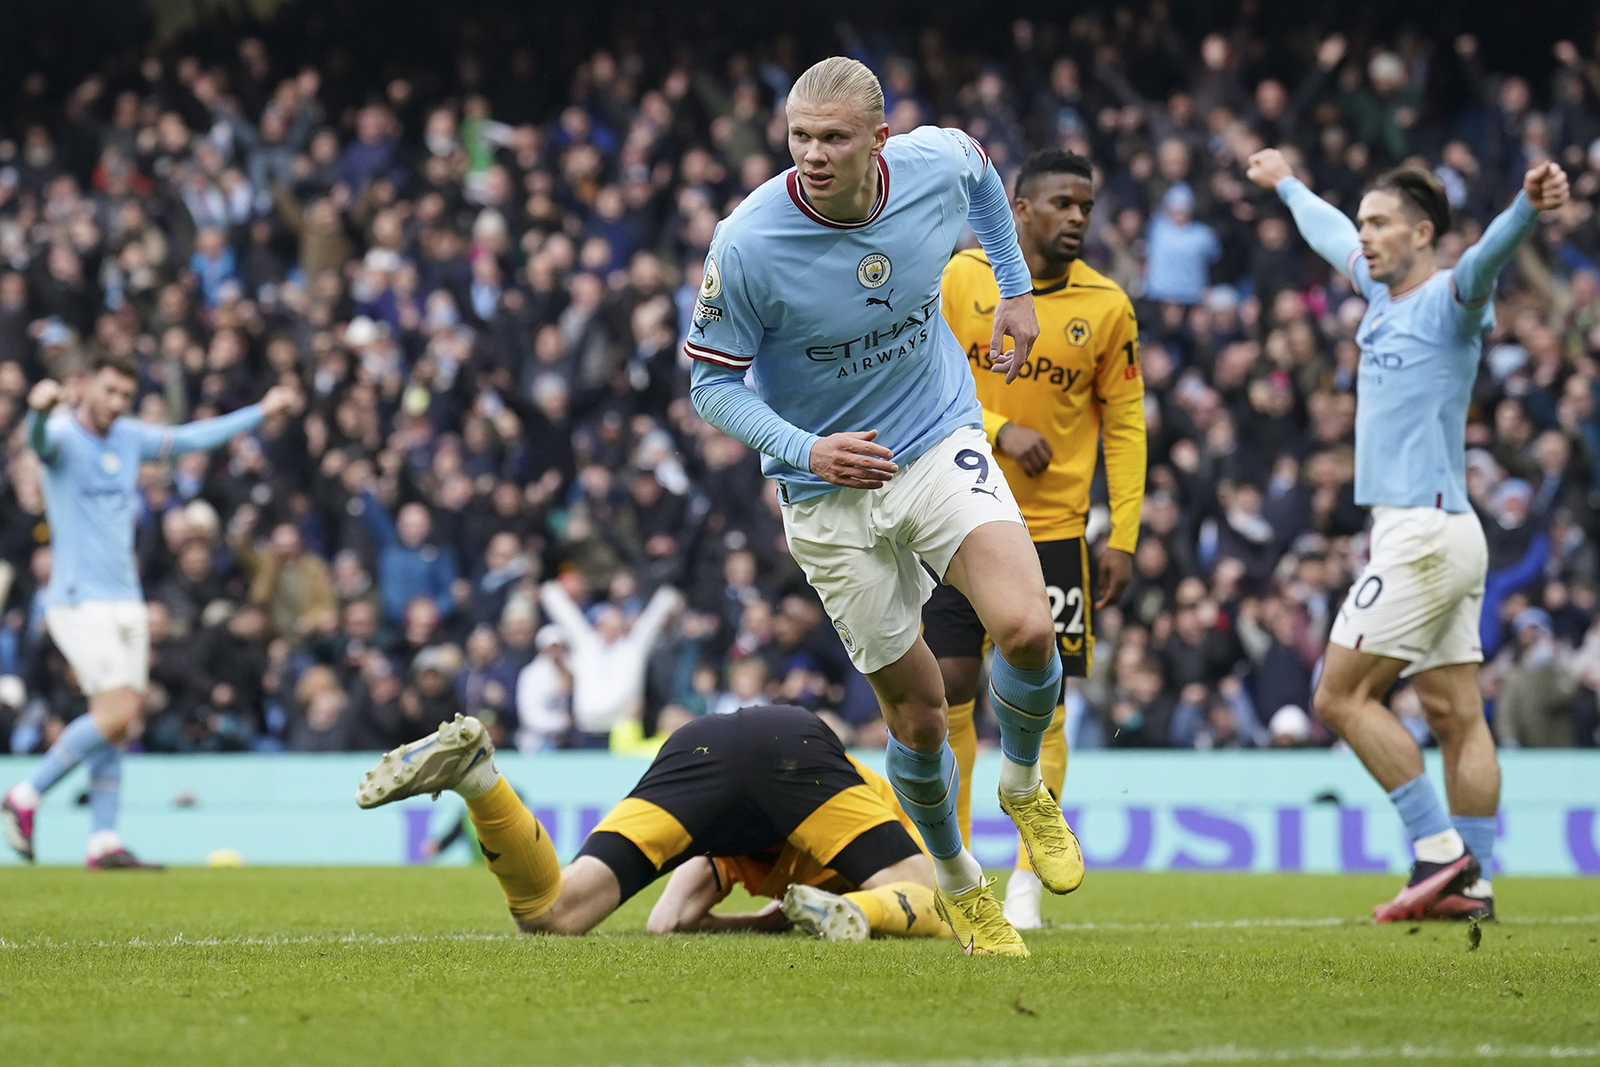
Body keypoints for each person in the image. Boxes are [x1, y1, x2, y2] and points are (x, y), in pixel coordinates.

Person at [685, 55, 1077, 957]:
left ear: (879, 140)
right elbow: (711, 385)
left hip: (934, 438)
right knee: (921, 713)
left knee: (1024, 628)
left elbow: (985, 178)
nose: (812, 155)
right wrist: (805, 447)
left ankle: (1022, 785)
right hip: (826, 493)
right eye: (799, 138)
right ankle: (957, 880)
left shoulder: (936, 162)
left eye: (832, 138)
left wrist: (1014, 289)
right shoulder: (747, 241)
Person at [1246, 148, 1570, 922]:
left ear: (1424, 233)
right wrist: (1289, 180)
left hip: (1422, 533)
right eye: (1365, 223)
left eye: (1382, 223)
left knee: (1338, 695)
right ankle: (1477, 882)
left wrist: (1526, 206)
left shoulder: (1450, 298)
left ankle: (1438, 848)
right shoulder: (1376, 291)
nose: (1366, 236)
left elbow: (1487, 255)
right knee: (1457, 714)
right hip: (1447, 533)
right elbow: (1327, 235)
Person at [929, 147, 1146, 929]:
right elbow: (923, 377)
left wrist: (1122, 531)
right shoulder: (961, 278)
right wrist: (996, 428)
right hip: (957, 512)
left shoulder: (1109, 305)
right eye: (1062, 203)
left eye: (1086, 205)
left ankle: (1025, 877)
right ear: (1018, 209)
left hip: (1056, 530)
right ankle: (953, 873)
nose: (1078, 217)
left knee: (1044, 706)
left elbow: (1124, 421)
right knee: (945, 689)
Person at [1, 352, 296, 866]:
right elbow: (39, 442)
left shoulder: (130, 438)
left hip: (127, 601)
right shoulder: (64, 436)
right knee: (122, 710)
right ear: (87, 384)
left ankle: (103, 842)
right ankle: (24, 795)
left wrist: (260, 411)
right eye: (108, 390)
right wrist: (39, 411)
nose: (115, 403)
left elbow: (192, 438)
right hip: (77, 599)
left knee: (115, 723)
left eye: (123, 395)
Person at [356, 706, 949, 944]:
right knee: (938, 901)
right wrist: (775, 923)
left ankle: (480, 780)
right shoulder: (867, 809)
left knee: (551, 914)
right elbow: (926, 895)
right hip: (793, 749)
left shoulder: (729, 853)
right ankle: (862, 919)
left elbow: (672, 921)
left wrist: (767, 917)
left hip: (700, 748)